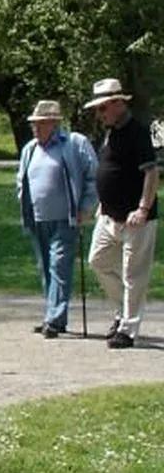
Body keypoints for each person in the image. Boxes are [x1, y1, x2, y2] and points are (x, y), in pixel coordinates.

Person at [84, 78, 158, 349]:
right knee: (98, 261)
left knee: (133, 274)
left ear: (117, 104)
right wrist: (102, 204)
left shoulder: (137, 132)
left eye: (102, 108)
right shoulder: (110, 131)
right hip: (109, 215)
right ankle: (122, 311)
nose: (98, 114)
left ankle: (127, 328)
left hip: (135, 217)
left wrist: (143, 208)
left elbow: (151, 173)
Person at [16, 99, 98, 338]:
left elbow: (93, 177)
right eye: (33, 124)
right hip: (37, 219)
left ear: (53, 123)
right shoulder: (30, 149)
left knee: (59, 266)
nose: (35, 128)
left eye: (39, 123)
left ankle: (54, 317)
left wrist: (85, 208)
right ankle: (53, 316)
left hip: (66, 218)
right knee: (46, 269)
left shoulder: (74, 144)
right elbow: (22, 180)